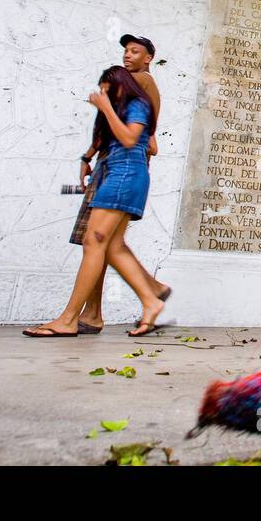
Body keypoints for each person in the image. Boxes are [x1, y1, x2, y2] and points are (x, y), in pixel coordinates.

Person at [24, 65, 167, 338]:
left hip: (125, 175)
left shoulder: (138, 104)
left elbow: (129, 139)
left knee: (94, 241)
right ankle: (152, 299)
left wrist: (106, 108)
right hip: (116, 173)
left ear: (120, 86)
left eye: (106, 90)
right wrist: (87, 159)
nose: (102, 95)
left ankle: (68, 319)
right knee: (111, 246)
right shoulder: (124, 109)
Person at [69, 35, 170, 333]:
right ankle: (97, 311)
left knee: (98, 241)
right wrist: (88, 154)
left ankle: (147, 292)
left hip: (120, 168)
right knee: (101, 243)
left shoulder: (141, 84)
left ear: (148, 57)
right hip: (109, 163)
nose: (128, 55)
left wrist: (139, 145)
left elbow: (138, 132)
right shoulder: (128, 85)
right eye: (125, 50)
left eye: (135, 51)